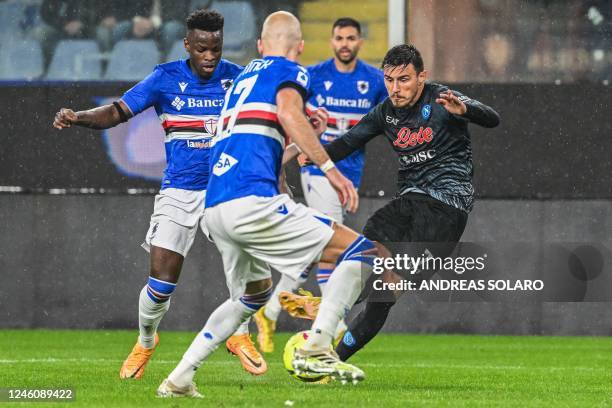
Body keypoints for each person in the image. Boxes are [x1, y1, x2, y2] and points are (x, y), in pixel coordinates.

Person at [157, 11, 381, 398]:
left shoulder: (241, 81)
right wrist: (331, 169)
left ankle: (179, 377)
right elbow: (288, 112)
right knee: (365, 252)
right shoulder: (291, 71)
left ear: (260, 45)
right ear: (300, 48)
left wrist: (300, 139)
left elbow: (270, 147)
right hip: (251, 203)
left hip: (217, 207)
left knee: (251, 295)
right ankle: (318, 347)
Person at [51, 9, 268, 379]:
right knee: (161, 282)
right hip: (180, 191)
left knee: (247, 274)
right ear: (187, 45)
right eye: (201, 49)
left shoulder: (239, 78)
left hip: (226, 190)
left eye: (215, 48)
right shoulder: (165, 78)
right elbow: (119, 111)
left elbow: (265, 124)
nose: (209, 57)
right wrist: (79, 117)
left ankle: (239, 334)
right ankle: (146, 340)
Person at [282, 44, 501, 362]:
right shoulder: (385, 113)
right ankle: (328, 349)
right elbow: (347, 142)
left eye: (404, 80)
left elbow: (493, 119)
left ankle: (334, 322)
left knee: (386, 293)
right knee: (365, 247)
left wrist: (466, 111)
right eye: (389, 80)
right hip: (408, 202)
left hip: (447, 210)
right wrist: (311, 155)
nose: (395, 89)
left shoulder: (443, 100)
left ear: (422, 77)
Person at [251, 17, 387, 353]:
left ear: (359, 42)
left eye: (350, 38)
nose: (344, 43)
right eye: (339, 37)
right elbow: (290, 113)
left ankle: (268, 312)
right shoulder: (313, 75)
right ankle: (333, 323)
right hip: (317, 169)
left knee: (316, 247)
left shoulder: (373, 80)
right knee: (331, 237)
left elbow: (389, 115)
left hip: (350, 170)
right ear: (330, 41)